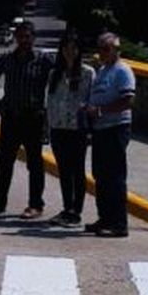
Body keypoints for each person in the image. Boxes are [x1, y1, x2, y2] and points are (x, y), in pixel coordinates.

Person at [0, 20, 54, 219]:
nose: (24, 40)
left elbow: (58, 80)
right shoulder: (7, 59)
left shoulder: (43, 60)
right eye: (21, 37)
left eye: (28, 37)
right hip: (11, 118)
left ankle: (35, 205)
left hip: (34, 119)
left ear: (33, 38)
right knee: (5, 162)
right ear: (16, 38)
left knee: (35, 164)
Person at [83, 32, 136, 237]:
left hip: (116, 127)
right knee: (100, 176)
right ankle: (105, 218)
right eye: (100, 48)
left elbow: (128, 100)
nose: (102, 52)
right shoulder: (103, 70)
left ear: (116, 50)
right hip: (100, 129)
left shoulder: (122, 71)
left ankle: (119, 223)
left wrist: (101, 111)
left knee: (114, 176)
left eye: (107, 49)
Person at [45, 31, 95, 227]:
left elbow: (92, 100)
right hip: (58, 128)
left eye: (74, 48)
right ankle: (67, 208)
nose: (70, 52)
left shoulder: (88, 73)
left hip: (78, 128)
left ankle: (76, 211)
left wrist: (91, 129)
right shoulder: (54, 74)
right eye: (66, 48)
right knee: (64, 171)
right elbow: (50, 101)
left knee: (77, 170)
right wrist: (47, 126)